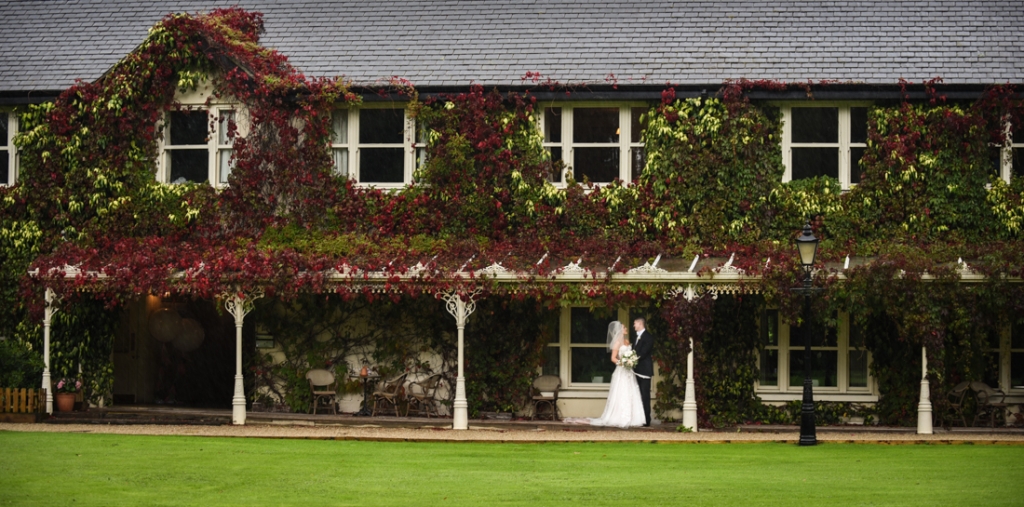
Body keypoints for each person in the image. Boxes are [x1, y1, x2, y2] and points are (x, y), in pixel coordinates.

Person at [564, 321, 646, 428]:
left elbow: (631, 354)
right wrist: (623, 363)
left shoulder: (626, 341)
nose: (626, 328)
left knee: (631, 392)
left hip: (629, 372)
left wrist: (631, 361)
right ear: (619, 330)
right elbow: (613, 358)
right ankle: (619, 417)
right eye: (624, 327)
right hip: (622, 370)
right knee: (621, 392)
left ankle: (634, 418)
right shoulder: (617, 343)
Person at [632, 317, 655, 426]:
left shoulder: (648, 337)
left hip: (645, 370)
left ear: (640, 324)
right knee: (637, 394)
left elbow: (644, 352)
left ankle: (646, 419)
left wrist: (631, 359)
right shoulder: (636, 337)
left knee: (645, 395)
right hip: (636, 370)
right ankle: (639, 418)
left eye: (635, 323)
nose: (634, 326)